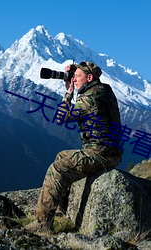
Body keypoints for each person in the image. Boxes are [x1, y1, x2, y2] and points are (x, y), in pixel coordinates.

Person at [25, 61, 122, 233]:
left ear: (89, 78)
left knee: (58, 168)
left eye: (77, 77)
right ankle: (62, 210)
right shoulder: (103, 90)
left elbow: (62, 117)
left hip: (101, 153)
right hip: (109, 152)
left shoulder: (90, 97)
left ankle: (42, 224)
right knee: (62, 156)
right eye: (74, 76)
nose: (74, 79)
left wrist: (68, 92)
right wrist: (75, 72)